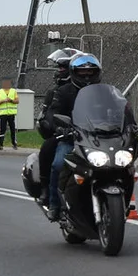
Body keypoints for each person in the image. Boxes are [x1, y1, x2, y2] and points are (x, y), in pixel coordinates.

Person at [44, 53, 102, 221]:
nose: (86, 75)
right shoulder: (64, 91)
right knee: (58, 164)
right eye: (82, 72)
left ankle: (124, 202)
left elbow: (118, 110)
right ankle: (55, 205)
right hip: (72, 138)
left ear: (96, 73)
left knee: (122, 165)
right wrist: (58, 127)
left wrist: (129, 125)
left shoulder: (104, 91)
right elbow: (53, 112)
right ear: (74, 73)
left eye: (90, 72)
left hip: (99, 140)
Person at [36, 48, 82, 194]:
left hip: (90, 134)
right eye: (59, 67)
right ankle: (47, 190)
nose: (59, 71)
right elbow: (50, 114)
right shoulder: (56, 92)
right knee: (48, 149)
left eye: (63, 67)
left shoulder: (89, 88)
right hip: (66, 133)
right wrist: (51, 124)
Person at [0, 77, 19, 150]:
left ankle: (14, 144)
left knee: (12, 129)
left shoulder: (13, 91)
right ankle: (0, 145)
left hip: (11, 114)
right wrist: (3, 101)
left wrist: (11, 100)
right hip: (3, 114)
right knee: (2, 130)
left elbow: (17, 101)